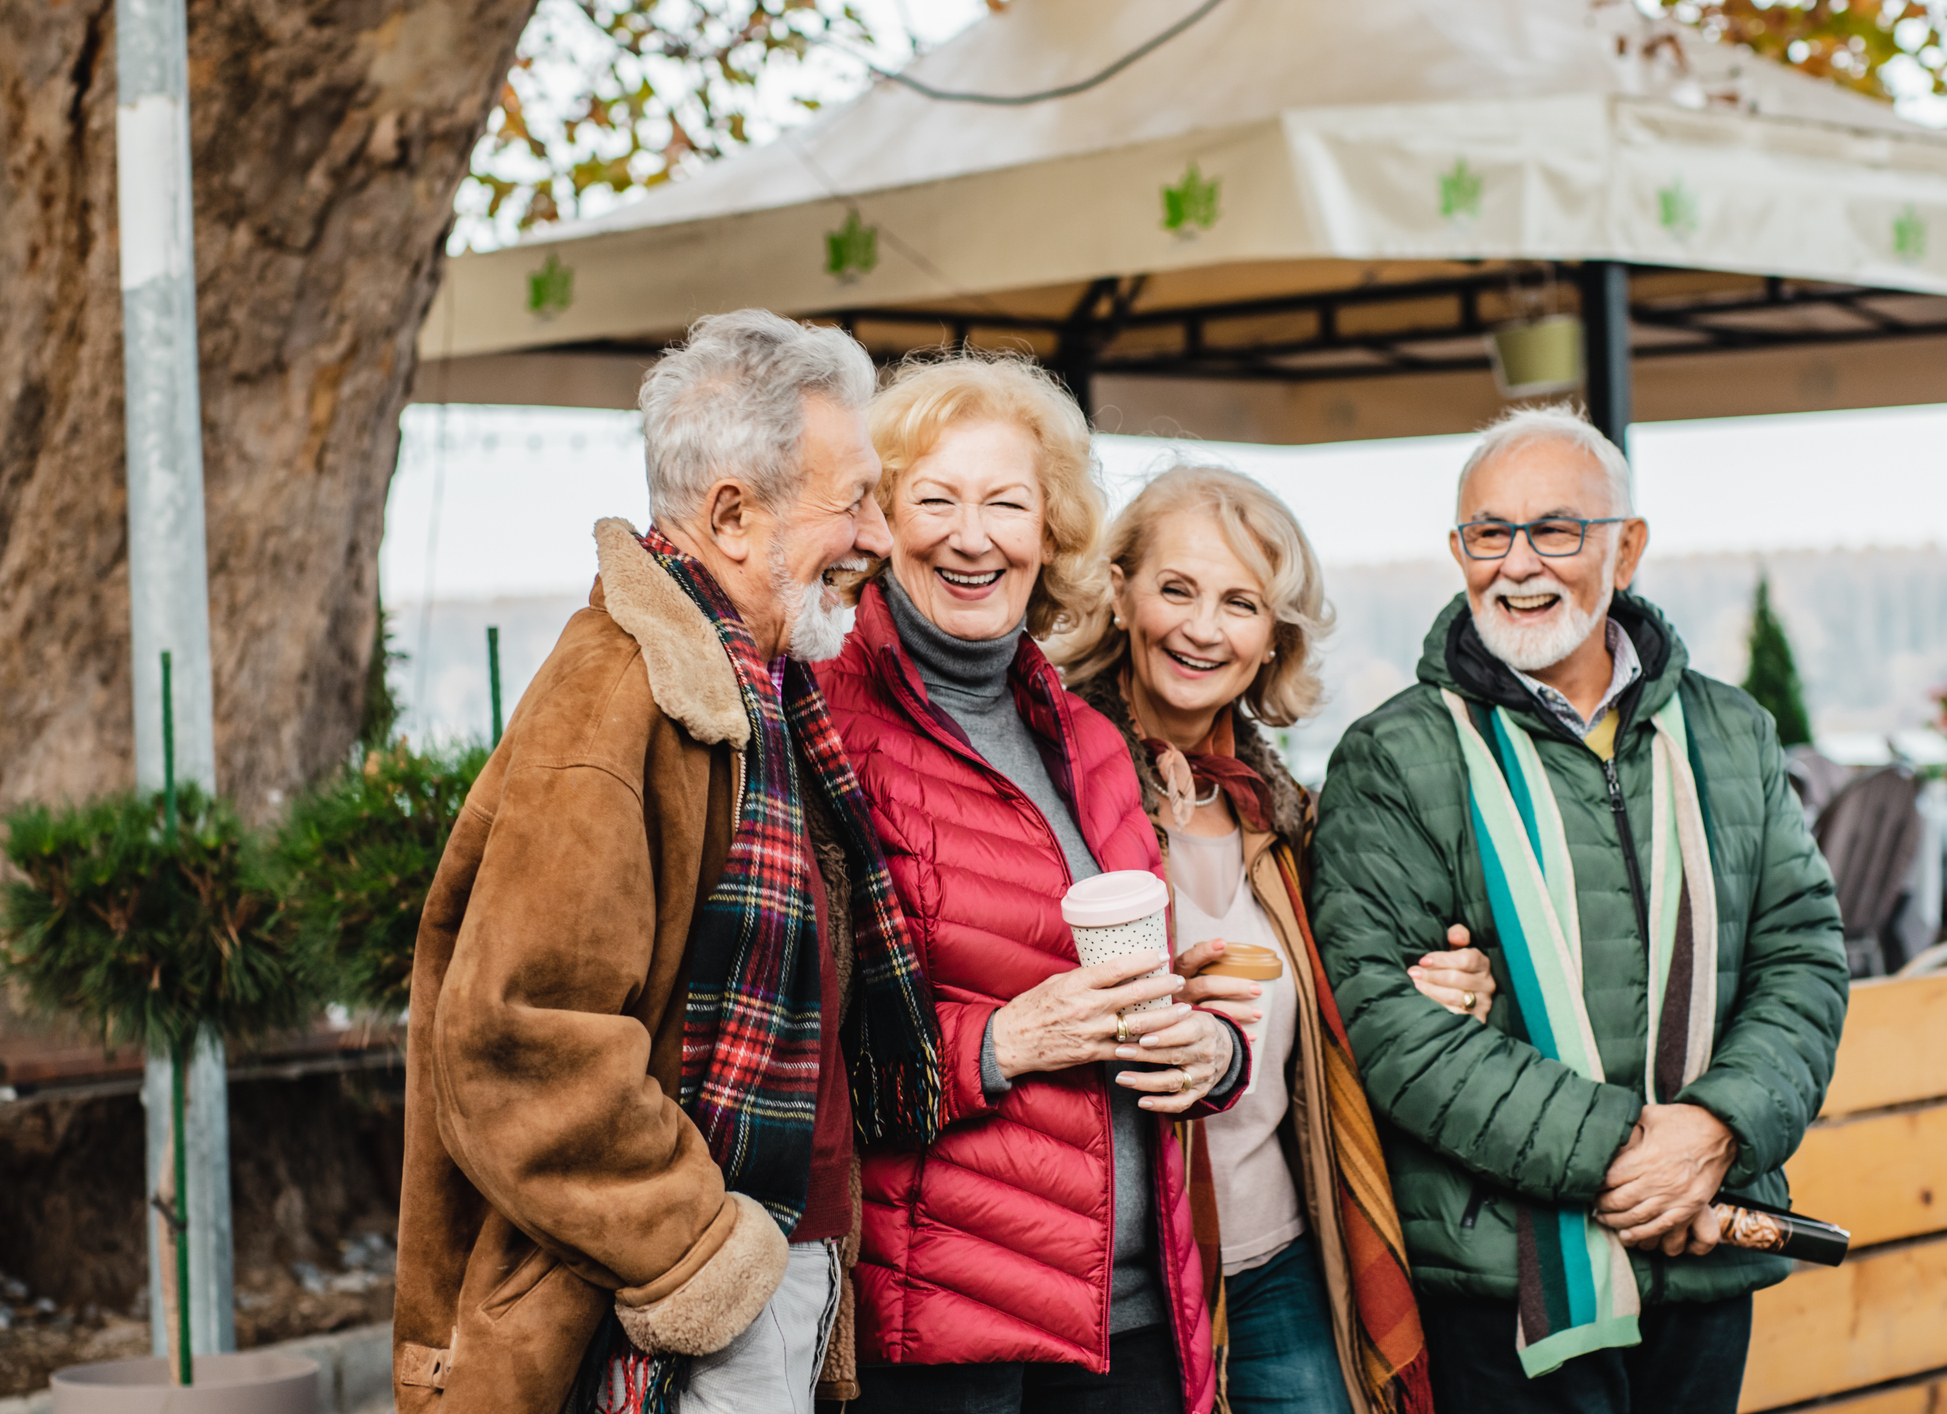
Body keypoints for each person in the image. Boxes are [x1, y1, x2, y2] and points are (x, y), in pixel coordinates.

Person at [392, 310, 942, 1414]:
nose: (881, 537)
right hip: (677, 1296)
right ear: (733, 516)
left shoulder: (754, 681)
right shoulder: (623, 689)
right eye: (856, 502)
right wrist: (700, 1252)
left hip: (762, 1268)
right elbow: (517, 1040)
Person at [1309, 404, 1849, 1414]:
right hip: (1502, 1275)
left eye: (1556, 529)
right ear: (1457, 549)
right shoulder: (1395, 756)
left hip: (1706, 1245)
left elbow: (1804, 959)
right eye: (1489, 533)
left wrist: (1718, 1132)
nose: (1518, 565)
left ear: (1627, 548)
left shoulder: (1733, 732)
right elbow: (1387, 1018)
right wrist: (1632, 1154)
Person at [814, 355, 1250, 1414]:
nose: (974, 535)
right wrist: (1005, 1043)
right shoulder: (820, 721)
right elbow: (794, 1040)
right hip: (948, 1333)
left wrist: (1212, 1050)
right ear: (876, 519)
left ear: (1049, 530)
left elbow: (1131, 982)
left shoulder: (1090, 737)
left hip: (1134, 1313)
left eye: (1007, 502)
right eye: (937, 499)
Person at [1054, 464, 1499, 1414]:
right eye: (1176, 589)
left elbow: (1342, 995)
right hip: (1126, 1279)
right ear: (1120, 593)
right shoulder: (1057, 785)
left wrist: (1438, 982)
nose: (1202, 628)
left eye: (1240, 603)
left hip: (1284, 1255)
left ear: (1272, 639)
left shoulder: (1285, 816)